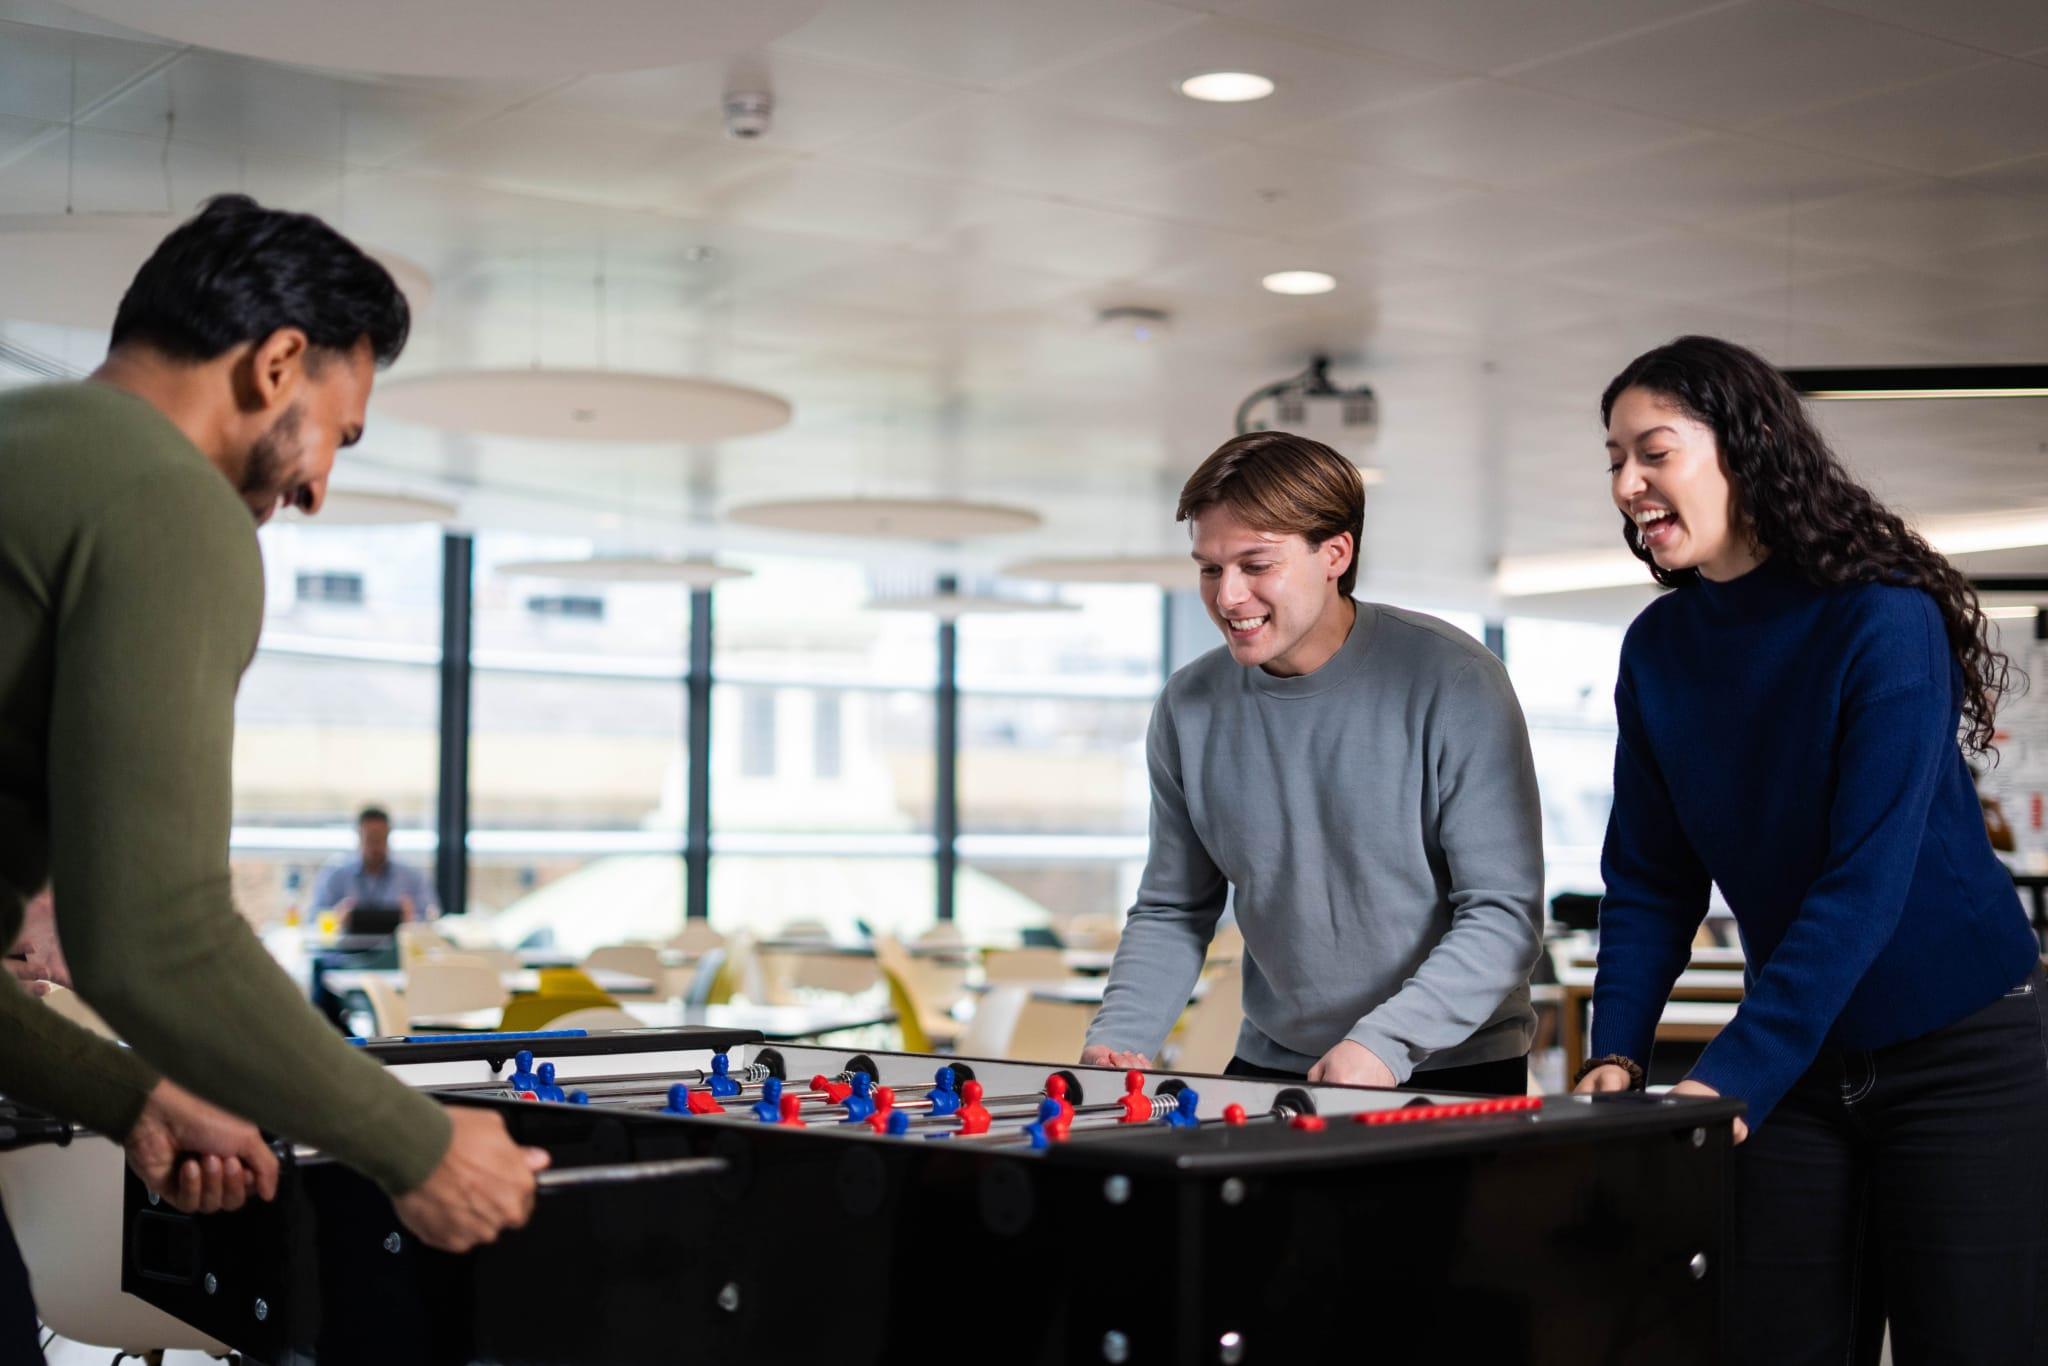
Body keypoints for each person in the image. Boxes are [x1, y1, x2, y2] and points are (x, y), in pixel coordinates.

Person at [0, 196, 548, 1356]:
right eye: (334, 437)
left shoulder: (30, 445)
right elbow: (157, 938)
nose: (315, 493)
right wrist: (420, 1146)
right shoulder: (167, 501)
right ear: (276, 362)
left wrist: (135, 1097)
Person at [1574, 335, 2045, 1363]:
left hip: (1959, 1053)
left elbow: (1861, 882)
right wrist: (1615, 1050)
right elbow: (1649, 879)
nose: (1625, 484)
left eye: (1652, 451)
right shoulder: (1658, 649)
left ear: (1743, 447)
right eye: (1612, 458)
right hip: (1801, 1059)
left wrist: (1731, 1070)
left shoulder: (1879, 616)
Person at [1081, 432, 1544, 1093]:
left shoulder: (1456, 680)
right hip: (1275, 1061)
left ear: (1335, 553)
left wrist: (1385, 1044)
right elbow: (1174, 908)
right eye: (1210, 569)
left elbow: (1503, 914)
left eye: (1255, 565)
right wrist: (1119, 1038)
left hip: (1449, 1067)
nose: (1228, 597)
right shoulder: (1190, 705)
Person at [314, 806, 438, 920]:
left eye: (380, 838)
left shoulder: (412, 877)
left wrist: (411, 919)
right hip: (347, 943)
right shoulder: (336, 875)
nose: (375, 846)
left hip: (398, 942)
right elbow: (313, 917)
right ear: (359, 836)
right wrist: (336, 918)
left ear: (388, 836)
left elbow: (432, 918)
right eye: (370, 838)